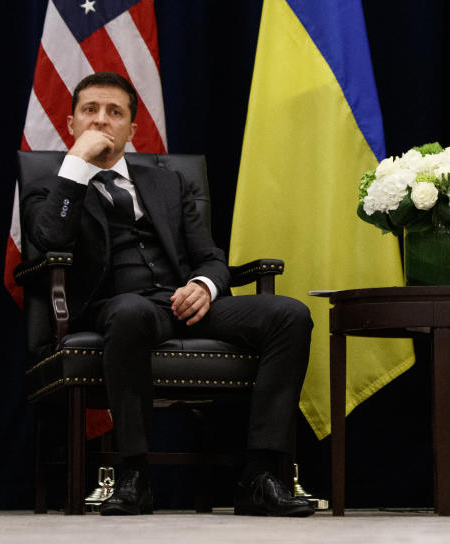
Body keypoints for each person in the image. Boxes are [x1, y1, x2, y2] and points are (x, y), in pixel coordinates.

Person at [22, 72, 315, 517]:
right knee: (131, 312)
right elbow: (48, 240)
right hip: (116, 308)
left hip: (184, 305)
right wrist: (78, 167)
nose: (102, 121)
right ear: (71, 123)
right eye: (90, 111)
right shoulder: (53, 186)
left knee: (289, 314)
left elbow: (211, 255)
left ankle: (261, 474)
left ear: (132, 129)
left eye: (114, 112)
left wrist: (204, 285)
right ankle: (134, 475)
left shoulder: (168, 183)